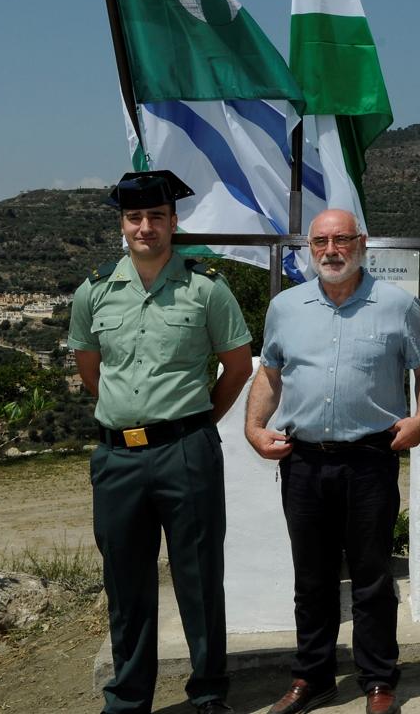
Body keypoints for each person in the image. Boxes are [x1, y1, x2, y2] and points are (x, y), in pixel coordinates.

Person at [69, 171, 253, 714]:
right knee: (126, 584)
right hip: (118, 459)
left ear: (174, 222)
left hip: (186, 451)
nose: (145, 227)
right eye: (134, 218)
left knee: (199, 579)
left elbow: (236, 367)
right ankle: (127, 698)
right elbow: (89, 369)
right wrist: (132, 420)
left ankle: (209, 692)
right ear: (122, 225)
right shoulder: (94, 291)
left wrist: (189, 423)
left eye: (156, 217)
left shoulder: (207, 288)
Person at [245, 209, 420, 714]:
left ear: (362, 243)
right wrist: (252, 427)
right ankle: (313, 677)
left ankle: (378, 681)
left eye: (341, 240)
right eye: (320, 243)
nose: (331, 251)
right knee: (311, 577)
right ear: (309, 249)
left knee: (373, 576)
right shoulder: (285, 307)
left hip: (370, 459)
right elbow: (269, 374)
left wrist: (419, 420)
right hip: (303, 461)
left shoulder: (397, 305)